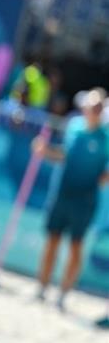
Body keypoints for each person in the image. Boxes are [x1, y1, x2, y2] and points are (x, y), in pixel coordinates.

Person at [33, 87, 109, 311]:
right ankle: (42, 288)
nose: (93, 111)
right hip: (62, 193)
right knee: (52, 241)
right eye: (91, 106)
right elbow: (63, 155)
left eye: (98, 107)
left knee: (75, 246)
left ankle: (63, 294)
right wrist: (45, 151)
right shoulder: (73, 126)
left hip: (84, 199)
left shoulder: (105, 138)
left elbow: (105, 176)